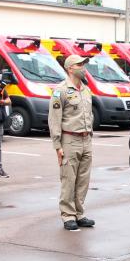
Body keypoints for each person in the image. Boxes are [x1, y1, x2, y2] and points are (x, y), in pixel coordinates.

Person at [48, 54, 95, 231]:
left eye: (84, 64)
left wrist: (90, 135)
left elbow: (89, 114)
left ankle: (79, 213)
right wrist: (57, 146)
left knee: (83, 179)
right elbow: (54, 120)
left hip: (85, 139)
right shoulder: (60, 90)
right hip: (70, 139)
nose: (84, 67)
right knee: (69, 179)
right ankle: (68, 215)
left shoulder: (85, 90)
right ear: (70, 68)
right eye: (80, 64)